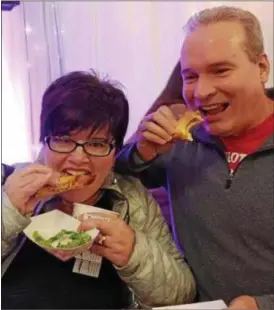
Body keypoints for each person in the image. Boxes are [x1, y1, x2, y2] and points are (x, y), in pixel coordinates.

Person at [116, 6, 274, 309]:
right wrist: (142, 150)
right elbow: (115, 175)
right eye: (190, 76)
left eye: (220, 70)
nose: (200, 92)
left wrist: (262, 305)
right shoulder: (180, 142)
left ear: (262, 67)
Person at [1, 71, 196, 309]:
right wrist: (8, 213)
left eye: (96, 144)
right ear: (44, 140)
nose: (78, 158)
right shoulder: (10, 184)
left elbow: (181, 295)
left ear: (115, 151)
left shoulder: (133, 201)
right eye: (63, 139)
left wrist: (134, 252)